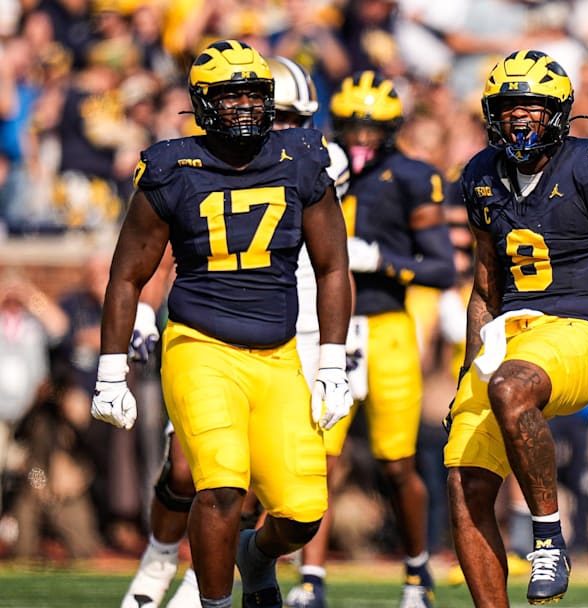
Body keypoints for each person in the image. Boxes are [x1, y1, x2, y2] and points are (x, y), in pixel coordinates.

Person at [92, 40, 352, 608]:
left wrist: (333, 363)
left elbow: (333, 267)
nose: (243, 107)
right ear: (203, 103)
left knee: (303, 512)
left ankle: (254, 557)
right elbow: (128, 273)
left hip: (280, 353)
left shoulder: (302, 158)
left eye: (254, 95)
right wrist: (111, 369)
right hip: (200, 345)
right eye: (229, 95)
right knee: (219, 484)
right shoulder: (172, 166)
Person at [445, 49, 588, 607]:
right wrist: (467, 370)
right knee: (465, 484)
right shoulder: (480, 176)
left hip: (579, 327)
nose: (519, 118)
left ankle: (548, 538)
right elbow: (485, 290)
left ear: (558, 111)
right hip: (509, 334)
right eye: (509, 106)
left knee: (512, 385)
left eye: (532, 107)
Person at [284, 69, 454, 608]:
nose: (360, 139)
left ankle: (415, 573)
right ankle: (311, 577)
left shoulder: (410, 177)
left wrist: (380, 259)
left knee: (396, 461)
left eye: (371, 128)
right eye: (352, 126)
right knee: (320, 459)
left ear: (392, 128)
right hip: (325, 326)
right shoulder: (319, 166)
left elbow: (443, 268)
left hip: (385, 329)